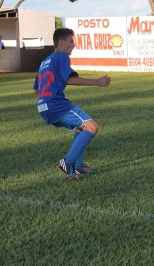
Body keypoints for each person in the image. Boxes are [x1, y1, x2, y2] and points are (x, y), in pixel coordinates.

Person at [33, 27, 111, 180]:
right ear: (61, 42)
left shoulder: (45, 61)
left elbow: (37, 89)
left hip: (43, 107)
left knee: (81, 128)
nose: (73, 45)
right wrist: (97, 82)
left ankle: (78, 166)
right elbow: (69, 79)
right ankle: (67, 162)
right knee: (92, 127)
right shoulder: (61, 57)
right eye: (71, 41)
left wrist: (46, 101)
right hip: (56, 104)